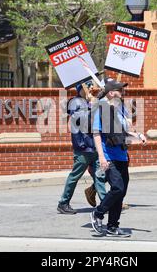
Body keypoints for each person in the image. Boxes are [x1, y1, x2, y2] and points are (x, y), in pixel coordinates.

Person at [90, 78, 146, 237]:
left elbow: (122, 134)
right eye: (120, 89)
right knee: (117, 188)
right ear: (111, 92)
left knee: (122, 192)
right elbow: (97, 134)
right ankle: (98, 213)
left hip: (121, 154)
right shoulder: (100, 108)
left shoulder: (121, 109)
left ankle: (112, 226)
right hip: (109, 155)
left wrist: (137, 135)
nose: (123, 92)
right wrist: (101, 157)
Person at [57, 80, 107, 214]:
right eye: (88, 86)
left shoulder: (92, 101)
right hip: (83, 147)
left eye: (91, 86)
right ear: (80, 89)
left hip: (95, 146)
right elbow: (83, 120)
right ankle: (63, 202)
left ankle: (105, 203)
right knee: (75, 176)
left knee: (99, 176)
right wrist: (93, 105)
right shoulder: (76, 102)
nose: (91, 88)